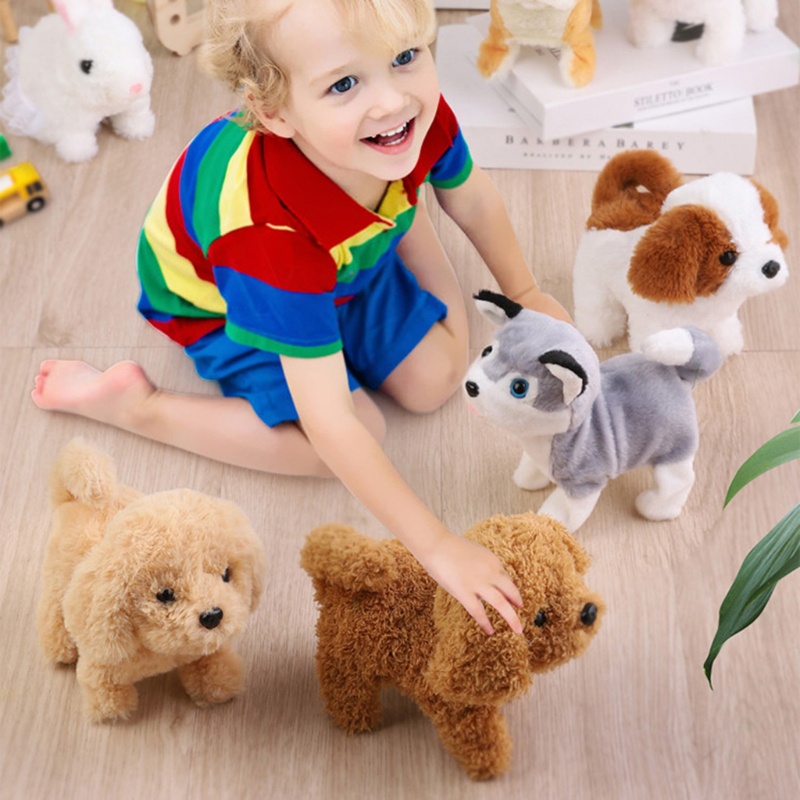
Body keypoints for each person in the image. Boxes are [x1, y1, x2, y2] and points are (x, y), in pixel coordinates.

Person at [32, 0, 570, 636]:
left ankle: (399, 212)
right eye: (344, 84)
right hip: (227, 303)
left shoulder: (411, 116)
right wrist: (438, 545)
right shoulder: (267, 240)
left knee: (437, 379)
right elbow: (331, 422)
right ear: (274, 113)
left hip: (342, 268)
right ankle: (139, 406)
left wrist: (525, 290)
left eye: (404, 56)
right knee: (352, 435)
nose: (391, 101)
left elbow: (473, 200)